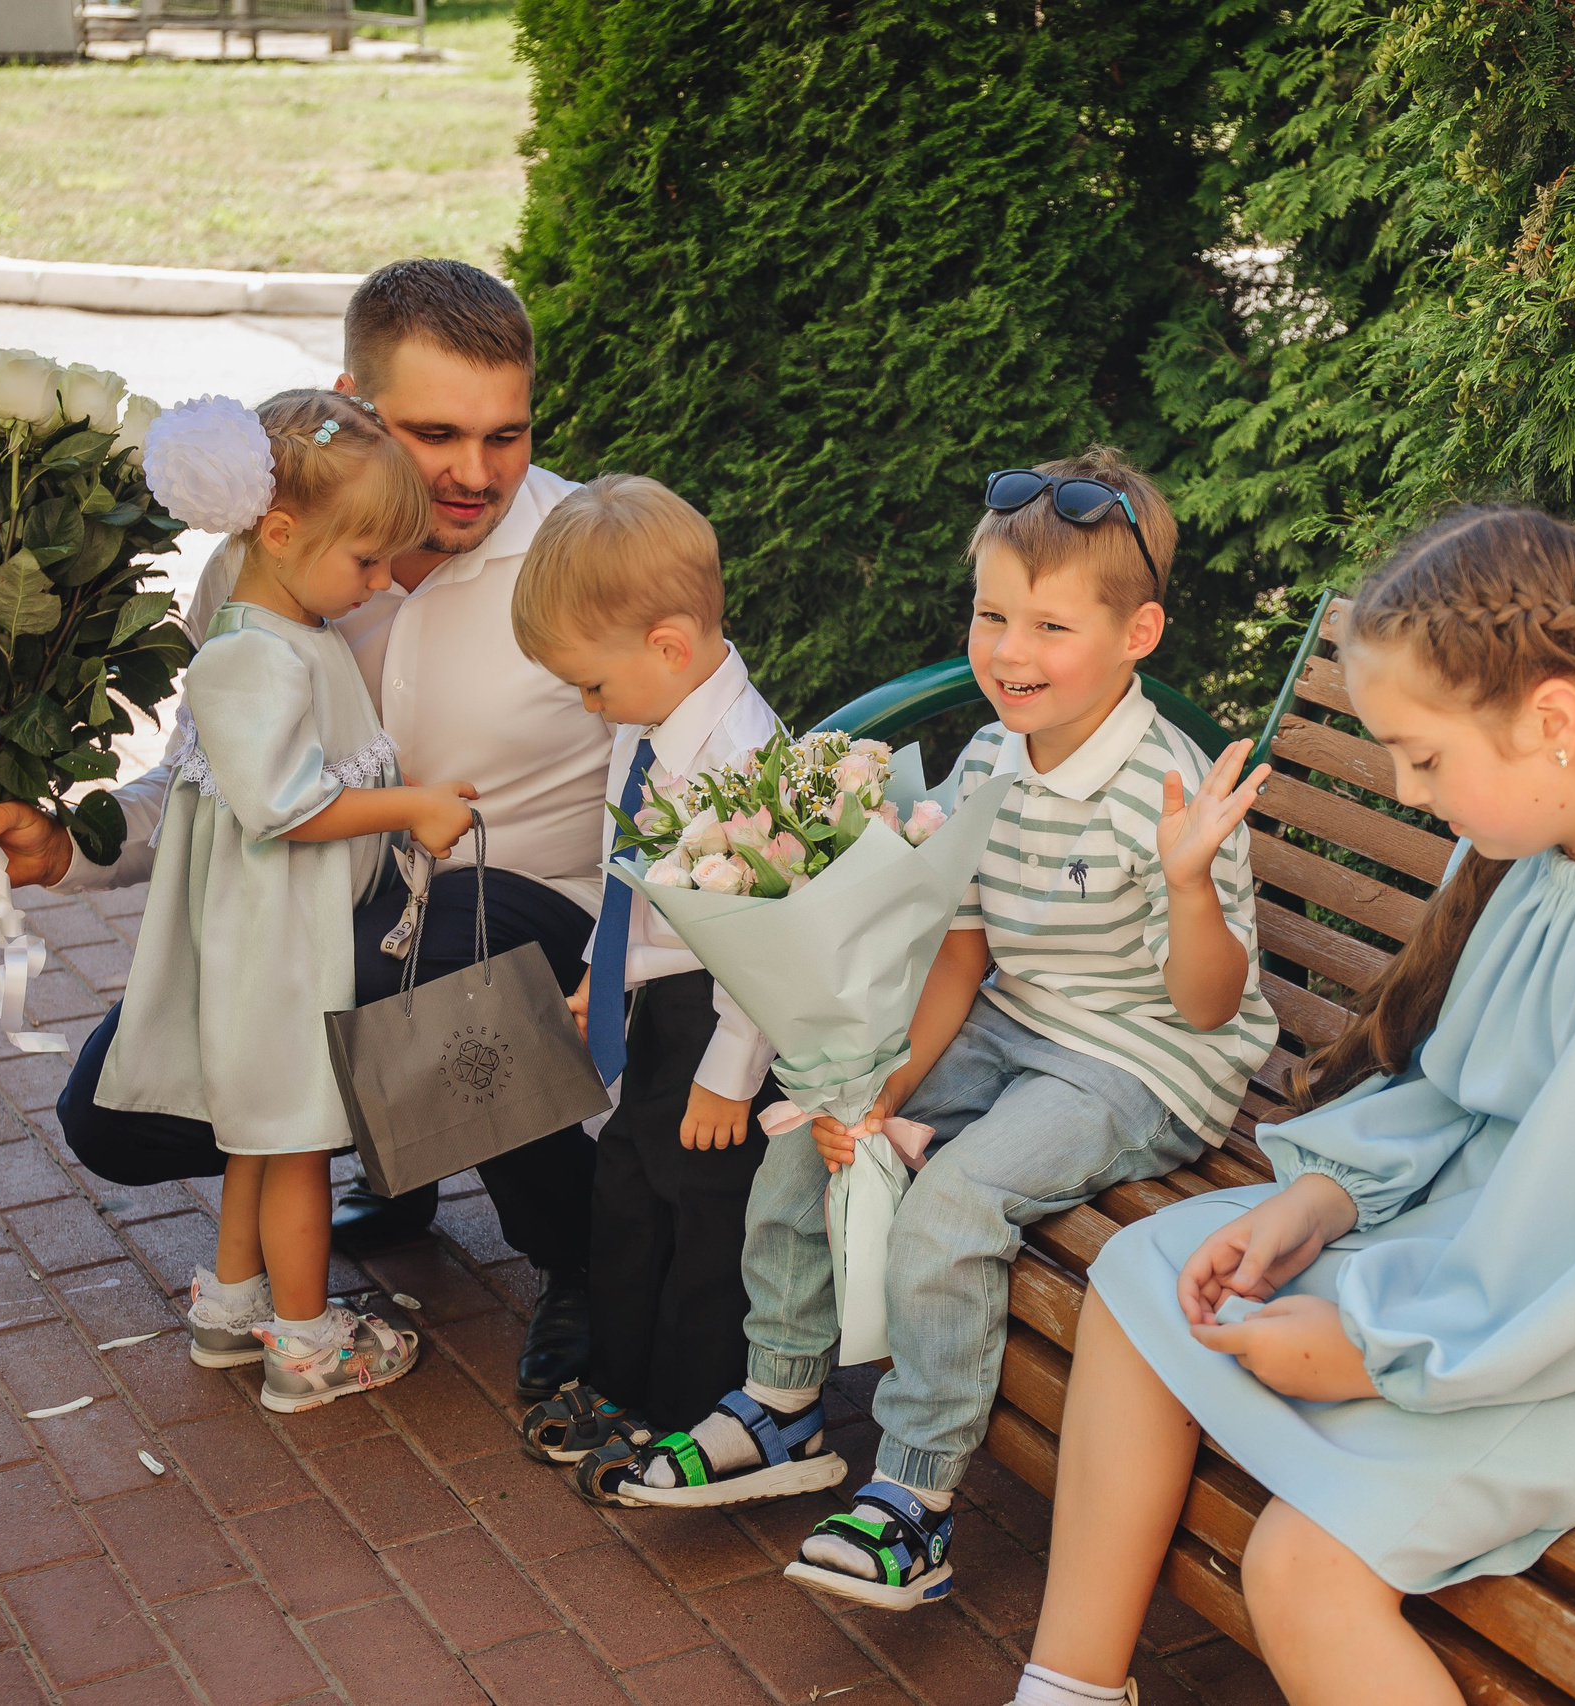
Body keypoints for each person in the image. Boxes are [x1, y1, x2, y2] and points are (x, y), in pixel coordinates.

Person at [1007, 507, 1575, 1706]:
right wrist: (1318, 1202)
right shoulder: (1554, 833)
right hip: (1501, 1262)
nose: (1406, 790)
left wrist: (1374, 1353)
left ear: (1553, 720)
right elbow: (1467, 1096)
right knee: (1144, 1280)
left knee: (1305, 1562)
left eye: (1421, 756)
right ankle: (1067, 1690)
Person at [0, 260, 614, 1401]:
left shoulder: (589, 548)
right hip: (324, 903)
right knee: (116, 1117)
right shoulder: (268, 563)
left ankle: (578, 1256)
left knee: (418, 974)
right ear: (354, 401)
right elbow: (214, 786)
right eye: (435, 432)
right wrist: (67, 846)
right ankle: (390, 1158)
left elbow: (681, 770)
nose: (474, 474)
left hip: (529, 902)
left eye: (507, 434)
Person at [597, 450, 1281, 1618]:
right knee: (811, 1122)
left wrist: (1191, 883)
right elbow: (962, 950)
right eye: (991, 613)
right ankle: (783, 1401)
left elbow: (1211, 1005)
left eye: (1051, 625)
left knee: (956, 1202)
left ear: (1139, 632)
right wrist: (874, 1088)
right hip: (1015, 1018)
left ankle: (915, 1499)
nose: (1010, 651)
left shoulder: (1166, 792)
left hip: (1142, 1060)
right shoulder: (986, 755)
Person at [104, 389, 458, 1410]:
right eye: (365, 561)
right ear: (280, 529)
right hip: (277, 945)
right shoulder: (251, 651)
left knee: (257, 1134)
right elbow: (283, 803)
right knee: (295, 1137)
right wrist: (413, 804)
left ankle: (230, 1307)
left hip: (279, 931)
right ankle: (306, 1347)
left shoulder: (285, 628)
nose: (379, 582)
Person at [502, 476, 788, 1484]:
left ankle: (695, 1406)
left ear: (666, 644)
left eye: (590, 684)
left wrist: (730, 1069)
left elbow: (769, 934)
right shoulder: (647, 716)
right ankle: (620, 1378)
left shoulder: (742, 758)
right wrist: (595, 969)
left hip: (719, 1015)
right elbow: (625, 865)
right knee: (627, 1186)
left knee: (705, 1213)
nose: (588, 705)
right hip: (651, 996)